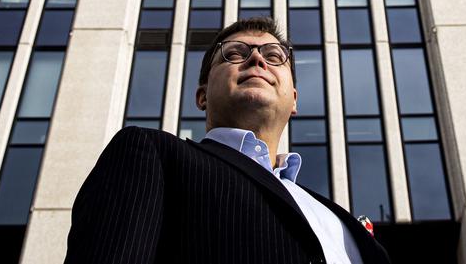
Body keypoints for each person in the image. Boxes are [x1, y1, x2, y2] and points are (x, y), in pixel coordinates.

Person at [65, 16, 392, 264]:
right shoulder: (153, 154)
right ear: (202, 95)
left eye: (275, 56)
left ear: (294, 100)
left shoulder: (335, 216)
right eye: (234, 54)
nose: (257, 59)